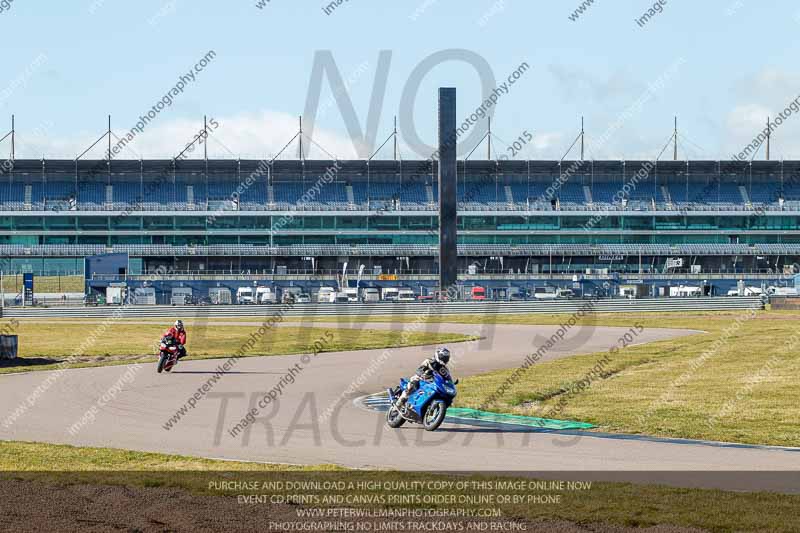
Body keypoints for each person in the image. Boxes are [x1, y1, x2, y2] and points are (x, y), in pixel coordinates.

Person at [395, 347, 452, 412]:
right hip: (421, 379)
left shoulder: (444, 369)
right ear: (438, 355)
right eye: (443, 357)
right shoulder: (429, 361)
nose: (445, 359)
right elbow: (420, 369)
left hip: (432, 383)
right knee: (413, 386)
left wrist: (450, 383)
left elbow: (447, 377)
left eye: (446, 358)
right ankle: (399, 403)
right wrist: (421, 373)